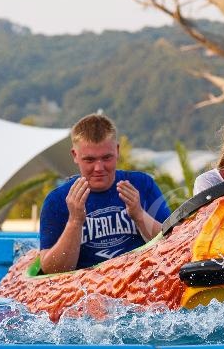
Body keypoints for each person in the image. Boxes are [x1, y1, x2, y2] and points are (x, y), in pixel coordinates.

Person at [39, 113, 171, 274]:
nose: (99, 168)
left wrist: (139, 215)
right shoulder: (57, 200)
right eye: (89, 160)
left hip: (139, 279)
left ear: (117, 150)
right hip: (85, 288)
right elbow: (51, 271)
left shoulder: (142, 184)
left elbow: (172, 243)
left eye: (106, 157)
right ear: (75, 155)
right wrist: (74, 221)